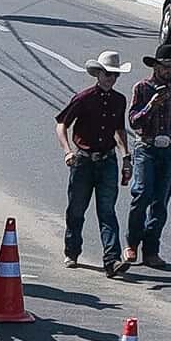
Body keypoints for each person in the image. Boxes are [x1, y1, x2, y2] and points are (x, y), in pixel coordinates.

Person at [56, 51, 134, 276]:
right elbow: (62, 124)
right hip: (83, 161)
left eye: (115, 75)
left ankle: (112, 260)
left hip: (107, 160)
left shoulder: (119, 100)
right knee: (76, 209)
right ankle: (72, 251)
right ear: (98, 74)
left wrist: (126, 157)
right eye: (108, 74)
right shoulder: (84, 98)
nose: (111, 79)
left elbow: (119, 130)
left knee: (107, 211)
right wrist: (67, 151)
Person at [124, 45, 171, 268]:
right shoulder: (142, 88)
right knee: (141, 195)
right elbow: (134, 122)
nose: (169, 71)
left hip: (167, 149)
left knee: (160, 202)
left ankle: (151, 250)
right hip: (145, 148)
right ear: (156, 66)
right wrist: (151, 105)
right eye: (165, 67)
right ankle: (132, 243)